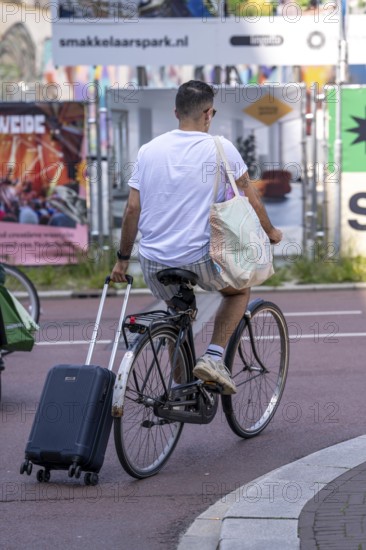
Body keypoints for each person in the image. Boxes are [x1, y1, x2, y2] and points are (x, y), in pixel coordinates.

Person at [111, 80, 282, 395]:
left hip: (152, 262)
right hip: (201, 258)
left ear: (175, 112)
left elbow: (131, 210)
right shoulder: (219, 146)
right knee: (238, 292)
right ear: (208, 113)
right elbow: (251, 196)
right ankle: (215, 357)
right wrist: (271, 232)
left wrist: (122, 261)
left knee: (178, 312)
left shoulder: (148, 151)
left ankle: (180, 389)